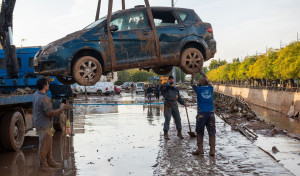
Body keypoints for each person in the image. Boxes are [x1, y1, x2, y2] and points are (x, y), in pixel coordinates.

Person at [33, 78, 69, 171]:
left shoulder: (36, 94)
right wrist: (62, 108)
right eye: (48, 84)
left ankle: (50, 161)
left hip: (40, 122)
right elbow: (49, 113)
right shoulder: (44, 98)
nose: (49, 86)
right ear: (45, 86)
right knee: (45, 144)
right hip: (44, 124)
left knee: (48, 143)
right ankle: (43, 165)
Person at [192, 75, 216, 156]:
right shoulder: (211, 88)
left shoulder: (198, 89)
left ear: (200, 83)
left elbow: (192, 83)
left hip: (201, 114)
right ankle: (212, 150)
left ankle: (200, 149)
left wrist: (193, 75)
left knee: (199, 131)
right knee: (212, 132)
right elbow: (210, 83)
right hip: (211, 114)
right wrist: (203, 74)